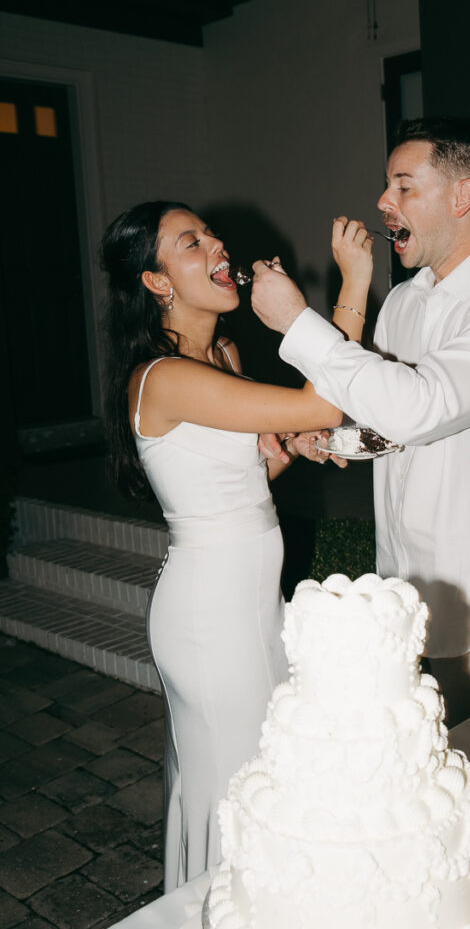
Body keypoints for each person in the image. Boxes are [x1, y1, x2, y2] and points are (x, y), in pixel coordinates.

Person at [252, 117, 470, 726]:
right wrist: (337, 437)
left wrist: (296, 321)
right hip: (406, 589)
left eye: (403, 186)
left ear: (463, 196)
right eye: (386, 185)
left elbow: (420, 408)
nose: (382, 201)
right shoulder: (404, 300)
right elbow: (391, 421)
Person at [100, 201, 373, 890]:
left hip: (257, 601)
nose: (216, 244)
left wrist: (291, 449)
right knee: (236, 791)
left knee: (274, 772)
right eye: (190, 242)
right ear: (157, 281)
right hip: (208, 616)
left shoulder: (222, 354)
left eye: (210, 234)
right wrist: (351, 285)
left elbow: (245, 480)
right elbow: (324, 401)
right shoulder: (163, 378)